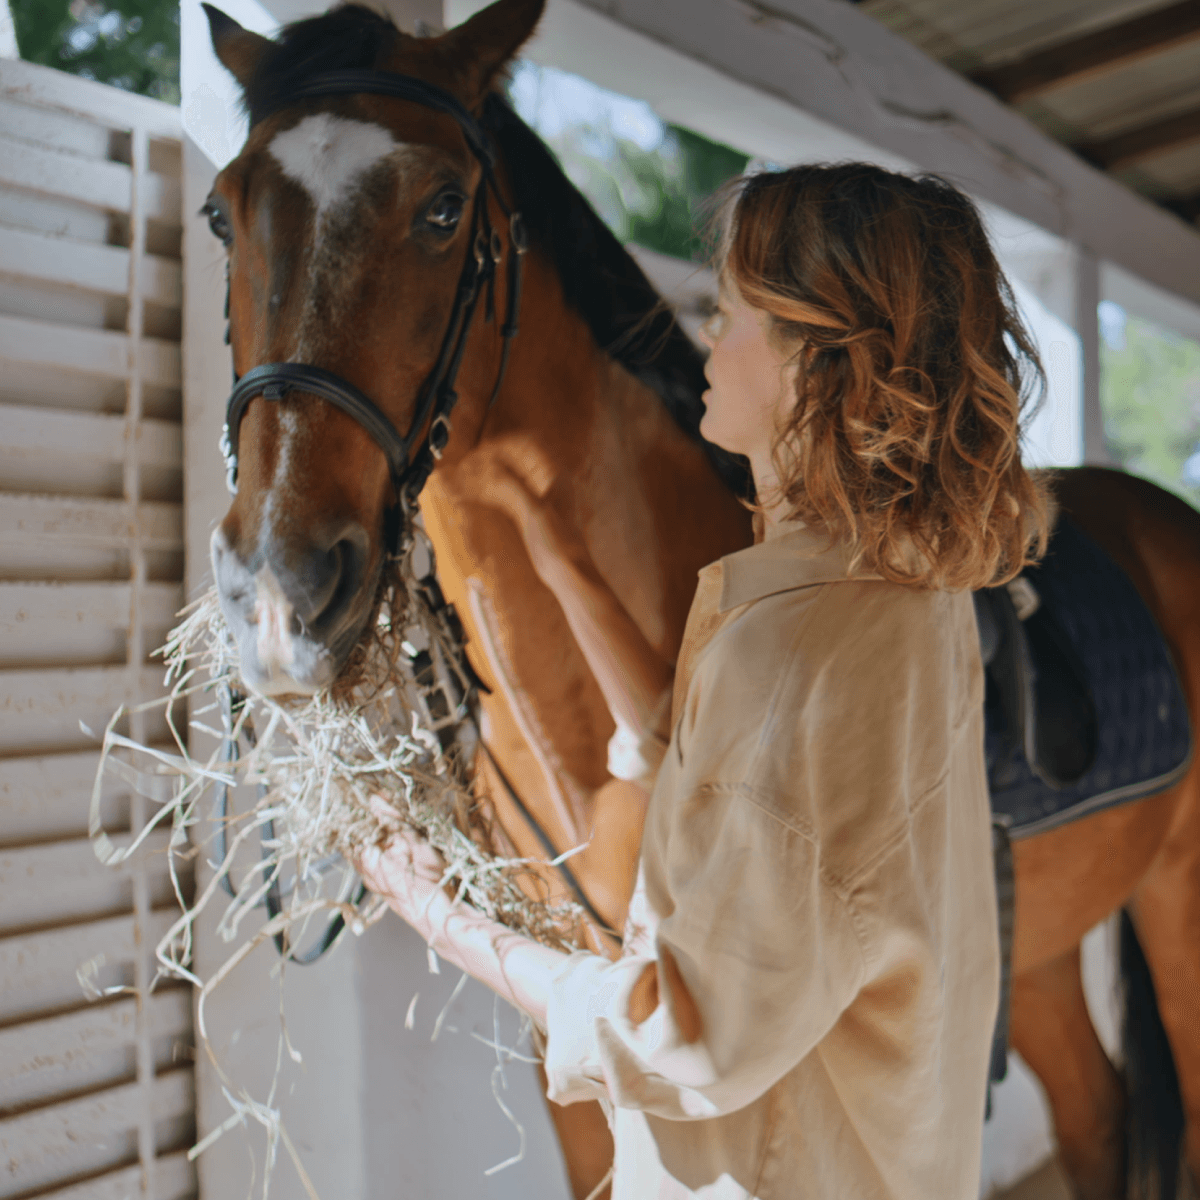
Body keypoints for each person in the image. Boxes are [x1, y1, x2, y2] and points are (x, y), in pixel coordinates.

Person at [357, 163, 1050, 1200]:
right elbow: (714, 766)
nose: (704, 345)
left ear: (820, 364)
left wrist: (440, 912)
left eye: (727, 316)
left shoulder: (800, 648)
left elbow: (692, 1041)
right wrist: (561, 561)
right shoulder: (899, 585)